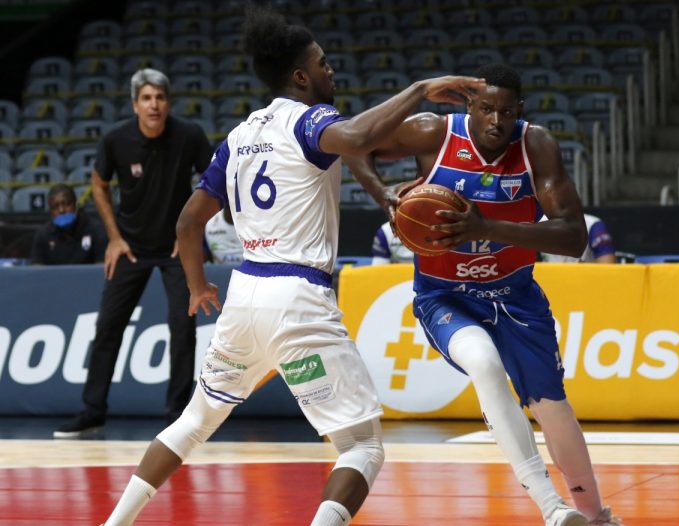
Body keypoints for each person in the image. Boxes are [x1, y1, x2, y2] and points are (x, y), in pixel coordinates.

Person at [98, 6, 484, 526]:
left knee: (193, 424)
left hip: (244, 300)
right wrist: (419, 89)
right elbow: (357, 138)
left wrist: (197, 287)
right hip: (298, 302)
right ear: (301, 76)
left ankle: (114, 523)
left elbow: (187, 223)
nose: (331, 70)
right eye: (322, 63)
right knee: (362, 447)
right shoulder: (309, 120)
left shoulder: (238, 136)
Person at [347, 64, 620, 525]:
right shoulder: (434, 133)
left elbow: (574, 238)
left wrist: (485, 227)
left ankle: (595, 515)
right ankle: (551, 508)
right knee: (484, 364)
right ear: (469, 104)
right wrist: (384, 196)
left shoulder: (536, 146)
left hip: (515, 296)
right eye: (487, 109)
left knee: (552, 409)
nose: (496, 121)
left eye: (507, 112)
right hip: (446, 297)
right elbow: (354, 143)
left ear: (520, 111)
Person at [54, 68, 213, 438]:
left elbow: (214, 182)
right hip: (131, 247)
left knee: (182, 329)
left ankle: (178, 416)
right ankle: (92, 412)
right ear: (135, 104)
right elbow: (98, 183)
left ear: (168, 103)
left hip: (176, 247)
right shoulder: (116, 139)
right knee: (107, 327)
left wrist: (192, 233)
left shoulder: (189, 135)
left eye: (159, 97)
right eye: (146, 98)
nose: (153, 104)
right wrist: (113, 237)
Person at [30, 184, 107, 265]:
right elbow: (37, 268)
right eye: (55, 207)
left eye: (66, 204)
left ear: (76, 205)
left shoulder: (97, 230)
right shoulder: (43, 235)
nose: (61, 210)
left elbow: (101, 268)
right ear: (50, 211)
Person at [541, 213, 616, 263]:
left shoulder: (593, 225)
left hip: (584, 279)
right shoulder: (540, 223)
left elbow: (608, 267)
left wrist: (582, 269)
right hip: (549, 279)